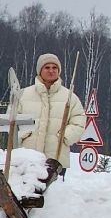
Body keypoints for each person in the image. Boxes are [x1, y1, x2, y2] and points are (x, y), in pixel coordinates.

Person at [6, 53, 85, 181]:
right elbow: (11, 121)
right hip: (26, 158)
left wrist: (64, 136)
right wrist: (23, 135)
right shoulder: (23, 95)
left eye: (54, 67)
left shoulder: (70, 97)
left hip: (56, 158)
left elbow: (79, 122)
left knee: (55, 196)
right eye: (47, 67)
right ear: (40, 70)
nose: (51, 70)